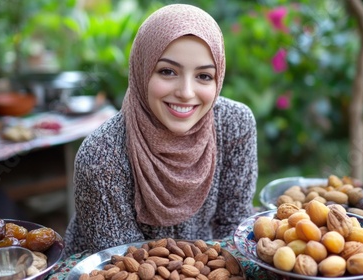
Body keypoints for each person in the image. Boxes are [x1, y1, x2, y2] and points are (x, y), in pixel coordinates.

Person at [63, 3, 257, 257]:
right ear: (142, 70)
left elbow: (235, 230)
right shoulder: (101, 157)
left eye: (204, 76)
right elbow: (125, 264)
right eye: (167, 71)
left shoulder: (234, 124)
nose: (186, 93)